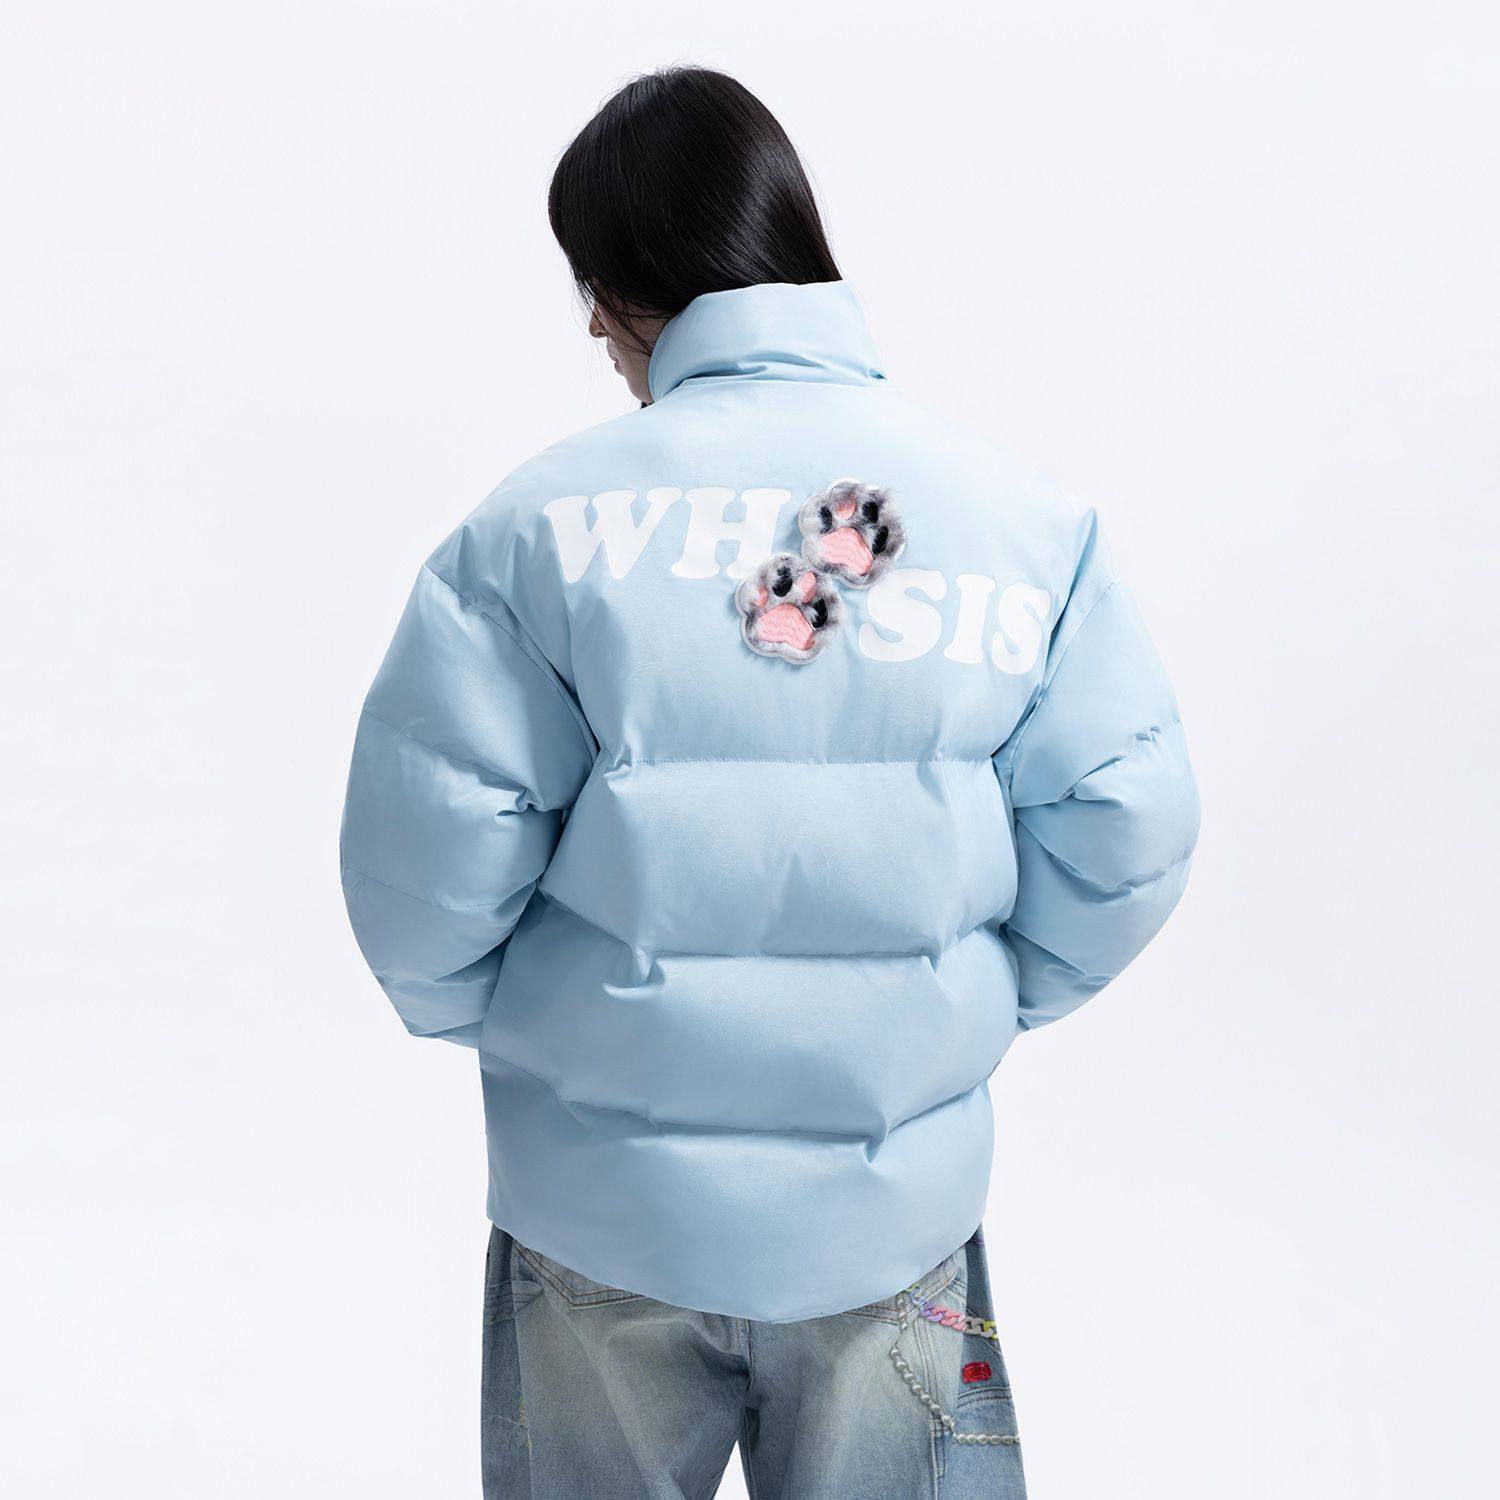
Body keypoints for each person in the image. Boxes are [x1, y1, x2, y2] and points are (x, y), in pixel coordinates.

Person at [340, 65, 1199, 1500]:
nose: (595, 334)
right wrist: (958, 1006)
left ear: (621, 285)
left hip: (601, 1211)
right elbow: (1130, 823)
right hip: (891, 1220)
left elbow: (421, 876)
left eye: (591, 297)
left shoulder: (531, 532)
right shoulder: (1025, 527)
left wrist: (550, 1038)